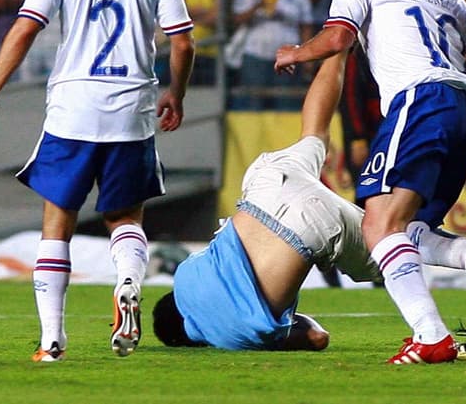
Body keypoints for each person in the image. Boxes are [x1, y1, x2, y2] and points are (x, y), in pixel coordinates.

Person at [0, 0, 195, 363]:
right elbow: (182, 41)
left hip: (74, 104)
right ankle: (129, 284)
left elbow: (26, 26)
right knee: (125, 218)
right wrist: (175, 94)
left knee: (59, 220)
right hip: (132, 105)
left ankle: (52, 340)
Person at [274, 0, 466, 365]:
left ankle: (433, 332)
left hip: (420, 100)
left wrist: (296, 52)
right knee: (409, 227)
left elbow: (339, 38)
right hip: (465, 105)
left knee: (377, 224)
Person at [152, 53, 376, 351]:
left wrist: (284, 317)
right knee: (315, 134)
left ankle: (461, 257)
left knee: (399, 252)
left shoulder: (229, 337)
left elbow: (317, 338)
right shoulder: (184, 275)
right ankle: (339, 46)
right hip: (266, 187)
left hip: (307, 230)